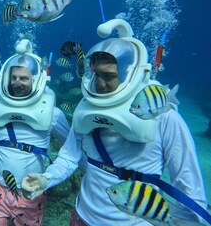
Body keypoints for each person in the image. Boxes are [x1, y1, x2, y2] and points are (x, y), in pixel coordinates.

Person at [21, 19, 209, 225]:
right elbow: (68, 157)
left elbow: (188, 187)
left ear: (130, 74)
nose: (100, 83)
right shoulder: (86, 110)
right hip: (82, 216)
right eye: (96, 74)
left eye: (109, 76)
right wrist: (46, 179)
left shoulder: (164, 117)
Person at [0, 39, 70, 225]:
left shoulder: (53, 113)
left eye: (24, 78)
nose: (18, 82)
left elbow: (73, 148)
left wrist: (86, 171)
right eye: (14, 77)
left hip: (31, 191)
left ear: (36, 80)